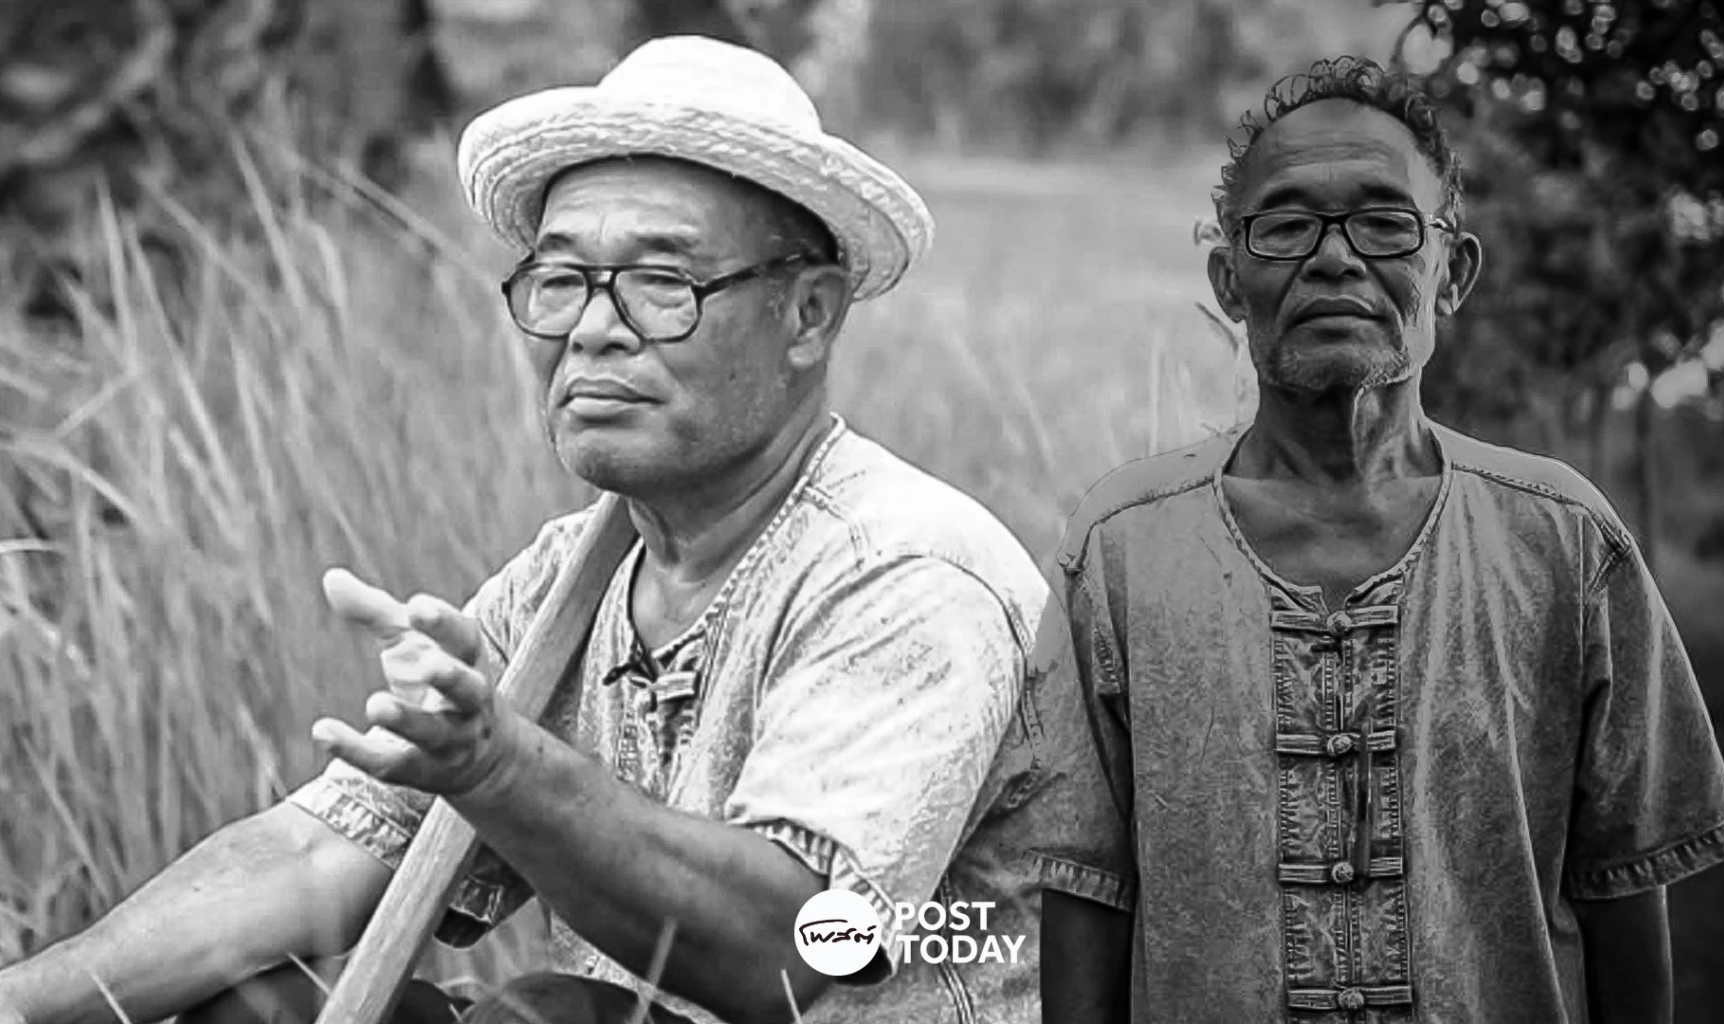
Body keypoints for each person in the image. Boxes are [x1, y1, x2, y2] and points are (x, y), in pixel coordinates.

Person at [0, 35, 1050, 1024]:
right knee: (256, 1009)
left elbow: (796, 948)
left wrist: (500, 768)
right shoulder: (569, 579)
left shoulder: (906, 571)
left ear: (808, 315)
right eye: (563, 280)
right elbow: (318, 852)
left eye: (662, 283)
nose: (593, 328)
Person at [1028, 57, 1724, 1024]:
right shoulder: (1121, 552)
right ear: (1229, 280)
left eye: (1384, 222)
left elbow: (1623, 892)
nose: (1334, 259)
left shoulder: (1565, 544)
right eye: (1286, 226)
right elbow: (1087, 897)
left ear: (1453, 273)